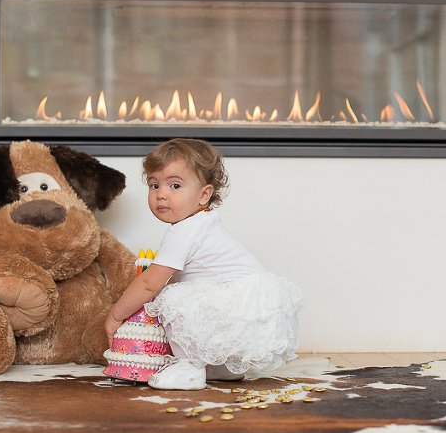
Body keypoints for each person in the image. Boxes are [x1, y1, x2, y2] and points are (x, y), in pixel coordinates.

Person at [105, 138, 303, 390]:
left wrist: (115, 315)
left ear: (204, 195)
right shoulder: (204, 222)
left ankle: (188, 367)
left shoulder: (184, 232)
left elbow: (148, 283)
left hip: (237, 307)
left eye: (174, 185)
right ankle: (219, 366)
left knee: (171, 297)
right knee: (182, 293)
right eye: (154, 185)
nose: (161, 194)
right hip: (250, 307)